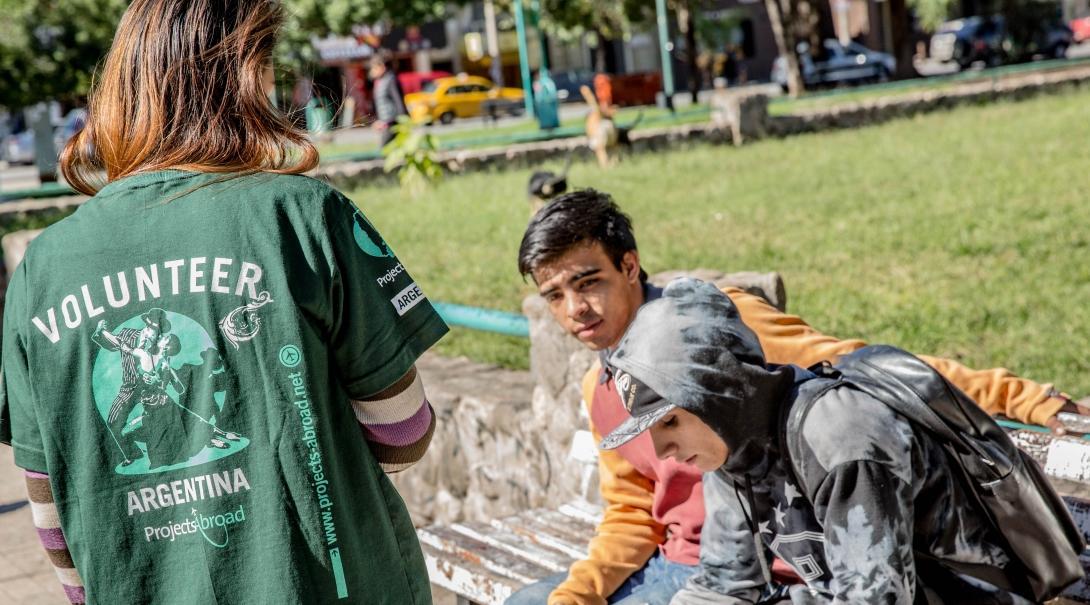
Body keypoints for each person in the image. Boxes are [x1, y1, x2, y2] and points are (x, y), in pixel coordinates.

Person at [0, 1, 447, 603]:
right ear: (242, 72)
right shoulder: (304, 217)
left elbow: (46, 495)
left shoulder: (41, 269)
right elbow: (403, 429)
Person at [508, 189, 1084, 605]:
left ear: (629, 265)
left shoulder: (720, 342)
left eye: (588, 283)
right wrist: (578, 593)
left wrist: (1027, 398)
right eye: (554, 295)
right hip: (706, 566)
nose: (574, 310)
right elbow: (638, 518)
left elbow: (873, 368)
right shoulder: (616, 390)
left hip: (812, 568)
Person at [599, 277, 1066, 603]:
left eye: (670, 423)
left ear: (719, 391)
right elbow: (724, 586)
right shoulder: (730, 448)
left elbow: (876, 599)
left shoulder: (840, 433)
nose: (664, 453)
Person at [370, 53, 408, 148]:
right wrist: (379, 120)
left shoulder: (391, 80)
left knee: (385, 148)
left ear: (382, 67)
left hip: (393, 123)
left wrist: (403, 122)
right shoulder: (381, 81)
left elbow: (399, 102)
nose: (372, 71)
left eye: (374, 68)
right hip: (387, 123)